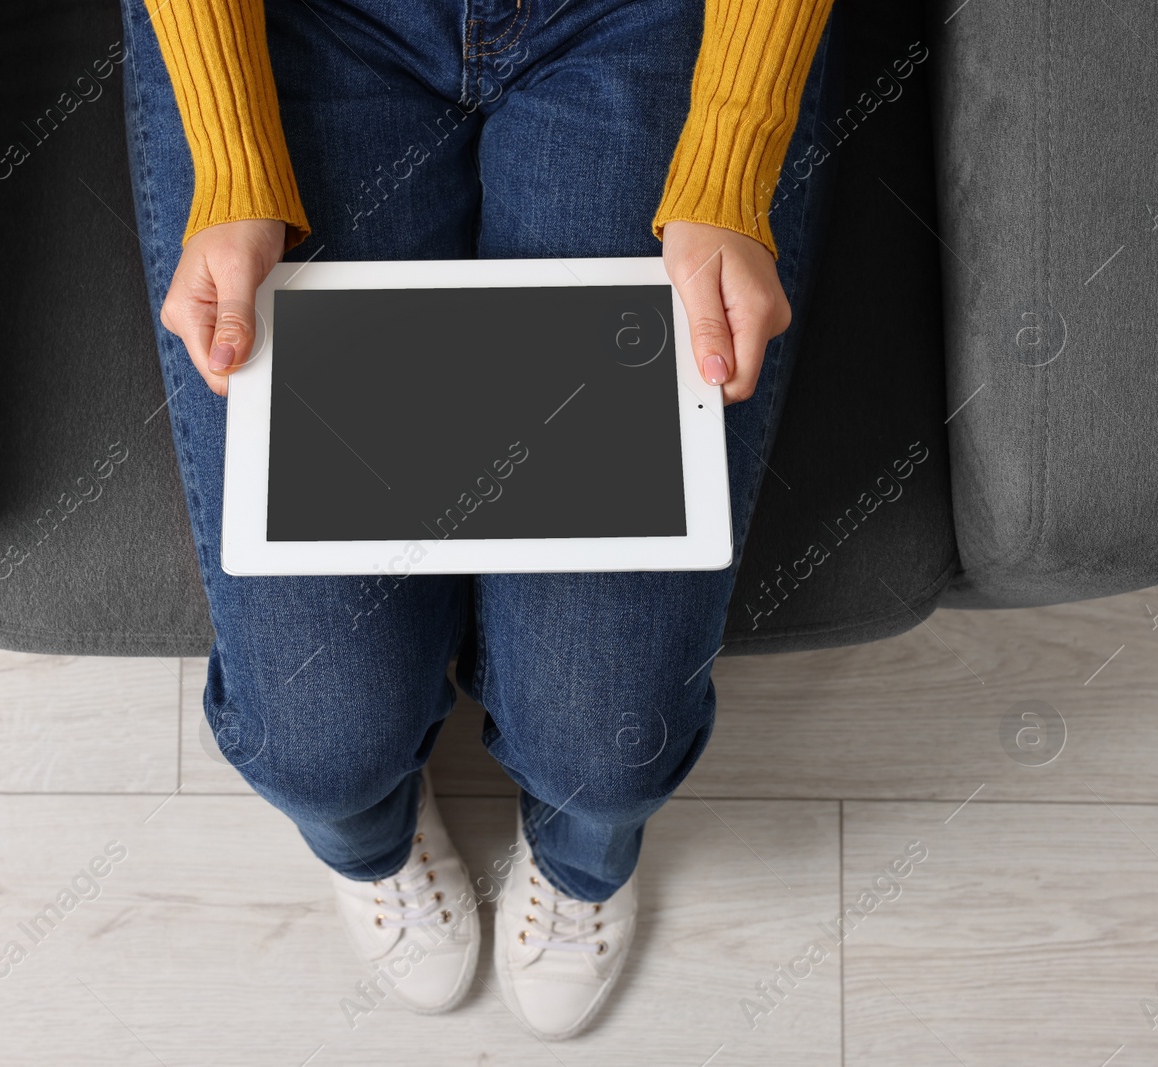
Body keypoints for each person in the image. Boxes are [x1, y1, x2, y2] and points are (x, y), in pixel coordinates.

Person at [119, 0, 842, 1040]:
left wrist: (728, 159)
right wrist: (233, 159)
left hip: (649, 22)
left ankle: (579, 859)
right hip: (300, 27)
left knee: (609, 741)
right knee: (320, 739)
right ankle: (372, 838)